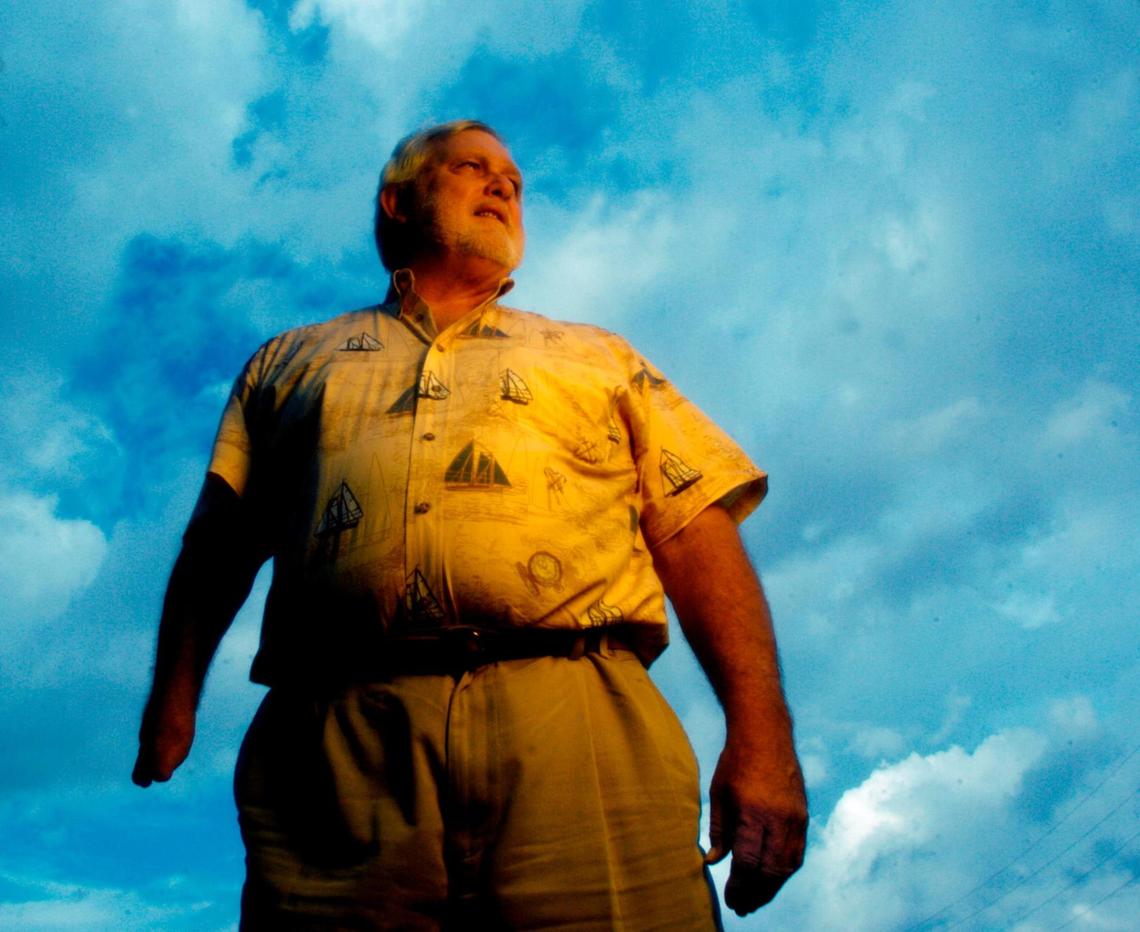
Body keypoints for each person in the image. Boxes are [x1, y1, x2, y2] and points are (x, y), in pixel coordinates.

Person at [133, 119, 807, 928]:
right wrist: (172, 703)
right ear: (397, 201)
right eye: (472, 169)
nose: (504, 187)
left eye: (515, 183)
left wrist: (762, 742)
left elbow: (694, 527)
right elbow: (220, 543)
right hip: (335, 748)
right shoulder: (289, 363)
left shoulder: (595, 356)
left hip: (578, 727)